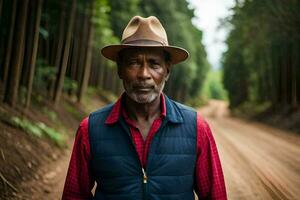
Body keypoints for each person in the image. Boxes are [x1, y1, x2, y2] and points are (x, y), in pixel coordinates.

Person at [62, 16, 227, 200]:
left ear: (167, 70)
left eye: (154, 64)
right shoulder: (90, 130)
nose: (143, 74)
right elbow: (73, 195)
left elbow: (215, 196)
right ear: (120, 69)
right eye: (133, 63)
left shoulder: (197, 128)